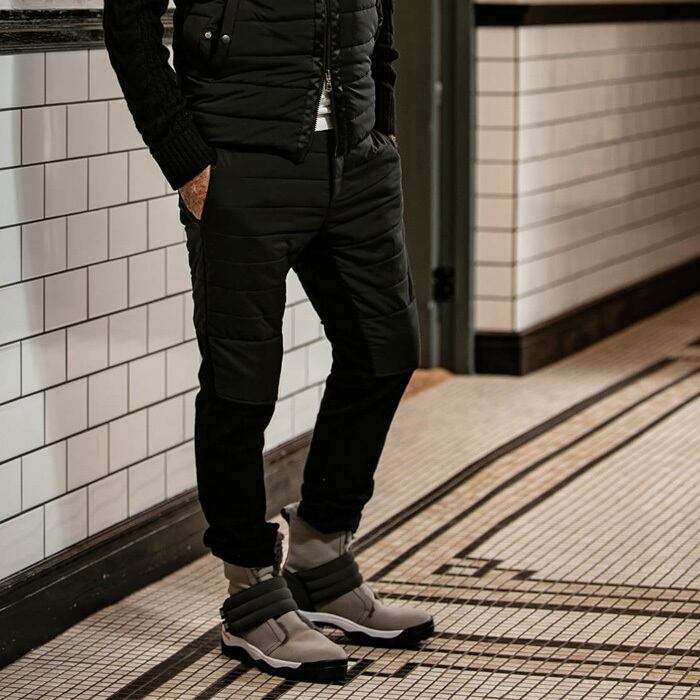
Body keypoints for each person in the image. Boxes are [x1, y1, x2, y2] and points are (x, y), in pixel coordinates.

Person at [103, 0, 433, 683]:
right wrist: (188, 162)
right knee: (242, 384)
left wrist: (382, 124)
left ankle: (320, 559)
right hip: (239, 161)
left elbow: (383, 14)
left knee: (386, 353)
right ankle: (251, 593)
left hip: (357, 158)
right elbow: (128, 21)